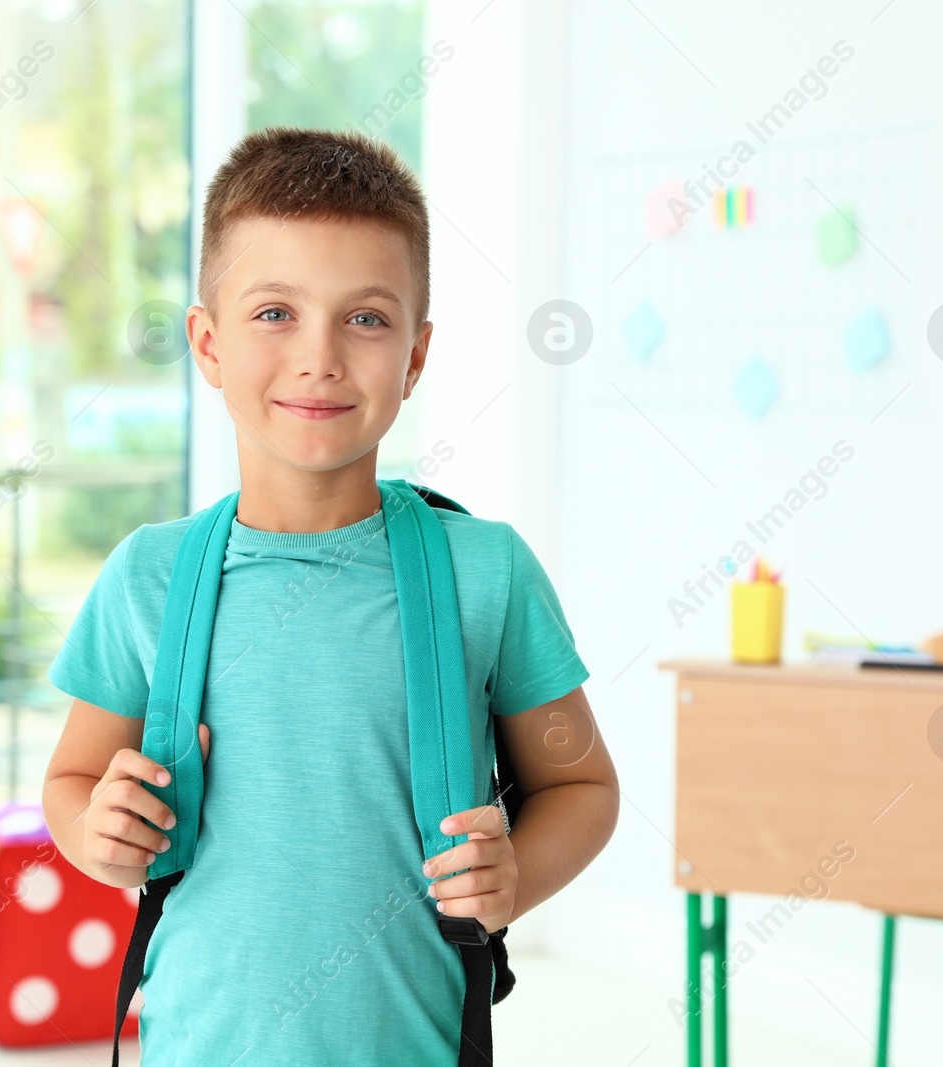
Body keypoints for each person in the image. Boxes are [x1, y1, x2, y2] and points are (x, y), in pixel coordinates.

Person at [42, 125, 619, 1065]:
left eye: (366, 318)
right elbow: (71, 780)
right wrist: (93, 834)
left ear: (416, 356)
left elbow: (582, 786)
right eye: (274, 312)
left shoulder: (488, 574)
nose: (320, 356)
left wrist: (514, 876)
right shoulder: (147, 577)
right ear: (208, 341)